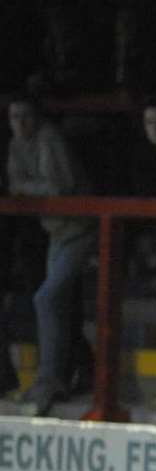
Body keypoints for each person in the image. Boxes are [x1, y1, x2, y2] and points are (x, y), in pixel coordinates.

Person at [7, 95, 95, 416]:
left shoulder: (48, 140)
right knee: (58, 305)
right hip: (55, 233)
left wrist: (27, 189)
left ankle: (47, 383)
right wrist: (30, 188)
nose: (20, 123)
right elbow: (14, 182)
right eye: (14, 116)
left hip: (79, 229)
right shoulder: (17, 144)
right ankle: (61, 377)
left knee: (46, 299)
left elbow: (58, 187)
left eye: (25, 115)